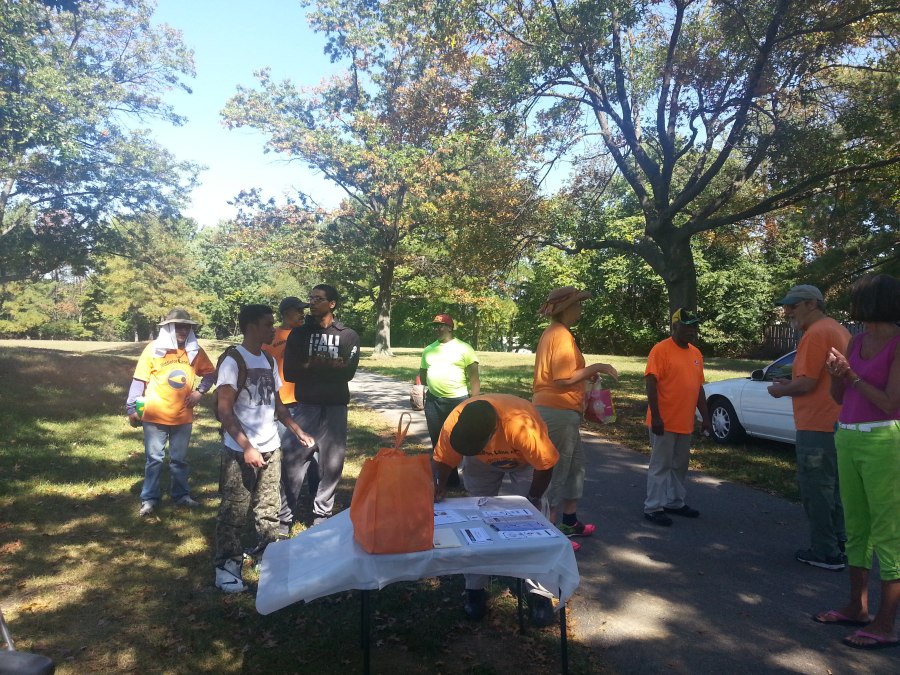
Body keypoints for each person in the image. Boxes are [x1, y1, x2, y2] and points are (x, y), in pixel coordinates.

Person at [814, 274, 900, 650]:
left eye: (859, 297)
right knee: (857, 527)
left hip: (885, 440)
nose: (853, 303)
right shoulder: (857, 340)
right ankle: (857, 607)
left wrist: (851, 375)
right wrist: (836, 375)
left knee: (888, 531)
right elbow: (839, 396)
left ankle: (886, 623)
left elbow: (890, 403)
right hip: (847, 435)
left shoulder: (898, 343)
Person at [433, 394, 559, 626]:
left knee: (535, 523)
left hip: (525, 461)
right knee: (474, 520)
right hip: (480, 463)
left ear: (493, 433)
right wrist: (439, 485)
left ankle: (540, 591)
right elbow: (442, 459)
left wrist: (532, 499)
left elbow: (544, 465)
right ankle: (474, 588)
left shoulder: (521, 426)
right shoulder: (454, 423)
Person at [214, 304, 314, 593]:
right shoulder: (233, 360)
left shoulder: (268, 359)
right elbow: (225, 411)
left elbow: (277, 405)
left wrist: (297, 430)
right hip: (240, 450)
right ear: (251, 327)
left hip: (271, 447)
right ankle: (226, 565)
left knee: (269, 509)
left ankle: (268, 557)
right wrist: (247, 447)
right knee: (234, 511)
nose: (273, 329)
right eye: (268, 324)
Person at [768, 284, 851, 570]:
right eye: (786, 306)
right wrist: (791, 384)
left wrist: (780, 390)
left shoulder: (815, 333)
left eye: (793, 305)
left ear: (812, 304)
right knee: (835, 489)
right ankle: (841, 542)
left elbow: (806, 384)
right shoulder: (837, 329)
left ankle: (825, 552)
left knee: (816, 489)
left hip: (817, 425)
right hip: (838, 422)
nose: (788, 311)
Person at [532, 286, 618, 549]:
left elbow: (567, 374)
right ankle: (550, 534)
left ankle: (569, 521)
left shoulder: (557, 333)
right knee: (557, 471)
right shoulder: (560, 335)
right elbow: (561, 380)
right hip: (556, 412)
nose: (581, 309)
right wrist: (598, 367)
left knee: (575, 468)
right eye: (578, 304)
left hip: (563, 412)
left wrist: (586, 374)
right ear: (566, 308)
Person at [126, 308, 215, 517]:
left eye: (186, 327)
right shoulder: (153, 349)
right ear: (168, 328)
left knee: (179, 460)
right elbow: (139, 380)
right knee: (154, 459)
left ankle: (181, 496)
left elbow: (211, 373)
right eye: (178, 326)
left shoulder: (194, 351)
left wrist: (200, 392)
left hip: (183, 417)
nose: (183, 330)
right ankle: (149, 499)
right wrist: (131, 408)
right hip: (154, 415)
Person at [283, 284, 360, 525]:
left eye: (318, 299)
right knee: (293, 461)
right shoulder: (299, 334)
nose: (312, 302)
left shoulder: (348, 335)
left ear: (332, 304)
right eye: (311, 298)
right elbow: (290, 372)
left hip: (335, 408)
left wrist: (310, 364)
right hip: (305, 407)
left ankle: (322, 516)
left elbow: (347, 373)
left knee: (332, 464)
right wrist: (329, 364)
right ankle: (284, 518)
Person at [643, 308, 711, 526]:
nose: (691, 330)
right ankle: (653, 507)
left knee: (680, 465)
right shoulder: (661, 350)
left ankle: (674, 502)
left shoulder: (696, 353)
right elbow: (651, 383)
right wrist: (656, 417)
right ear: (675, 326)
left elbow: (698, 387)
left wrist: (706, 417)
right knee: (661, 465)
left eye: (694, 326)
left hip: (685, 421)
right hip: (664, 421)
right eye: (686, 325)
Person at [262, 296, 319, 535]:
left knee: (315, 454)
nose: (302, 314)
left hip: (306, 401)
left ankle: (315, 501)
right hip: (281, 405)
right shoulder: (271, 336)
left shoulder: (307, 334)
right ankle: (281, 505)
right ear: (286, 312)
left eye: (303, 310)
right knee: (287, 458)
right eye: (298, 310)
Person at [419, 313, 480, 486]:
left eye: (441, 325)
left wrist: (474, 401)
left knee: (459, 440)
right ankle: (448, 479)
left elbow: (474, 378)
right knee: (437, 440)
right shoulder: (428, 350)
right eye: (435, 326)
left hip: (457, 401)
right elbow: (422, 376)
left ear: (450, 328)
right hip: (433, 401)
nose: (437, 329)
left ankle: (470, 478)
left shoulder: (464, 348)